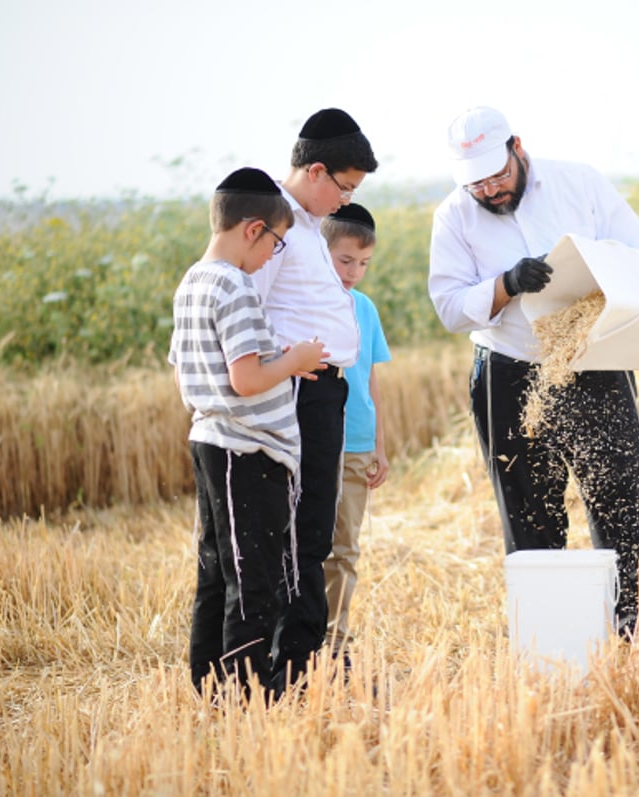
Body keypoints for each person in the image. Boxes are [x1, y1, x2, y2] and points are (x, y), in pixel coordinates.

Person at [428, 107, 639, 638]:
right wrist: (506, 283)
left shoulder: (579, 184)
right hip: (508, 373)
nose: (490, 190)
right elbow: (447, 306)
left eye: (498, 175)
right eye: (478, 184)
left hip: (594, 360)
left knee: (626, 503)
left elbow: (636, 256)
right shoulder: (452, 217)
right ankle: (551, 648)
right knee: (529, 514)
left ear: (518, 147)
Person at [167, 167, 328, 699]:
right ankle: (244, 695)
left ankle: (208, 686)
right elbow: (246, 378)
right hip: (246, 451)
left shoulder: (192, 281)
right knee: (253, 580)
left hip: (211, 440)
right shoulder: (234, 286)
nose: (272, 257)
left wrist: (281, 362)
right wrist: (295, 359)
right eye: (276, 244)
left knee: (216, 571)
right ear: (254, 229)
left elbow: (186, 367)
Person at [248, 108, 379, 691]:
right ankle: (289, 671)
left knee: (315, 534)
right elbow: (248, 314)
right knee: (297, 537)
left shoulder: (301, 224)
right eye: (344, 189)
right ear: (318, 171)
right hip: (295, 392)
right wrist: (290, 368)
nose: (343, 202)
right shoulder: (274, 224)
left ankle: (304, 664)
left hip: (324, 394)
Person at [320, 203, 392, 656]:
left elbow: (370, 378)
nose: (354, 271)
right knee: (310, 545)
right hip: (313, 440)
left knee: (345, 549)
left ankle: (336, 641)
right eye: (345, 260)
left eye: (363, 263)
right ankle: (303, 637)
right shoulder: (308, 303)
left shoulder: (365, 309)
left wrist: (380, 446)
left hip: (358, 443)